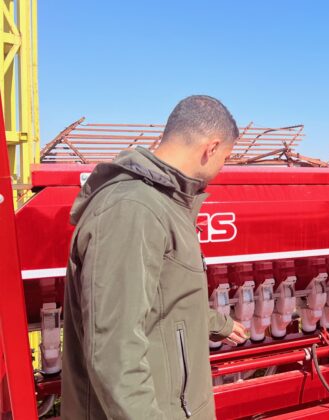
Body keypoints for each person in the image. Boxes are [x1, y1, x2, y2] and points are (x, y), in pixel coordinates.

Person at [61, 95, 248, 419]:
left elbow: (165, 299)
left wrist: (219, 324)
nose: (222, 168)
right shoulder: (132, 209)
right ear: (211, 148)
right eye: (226, 157)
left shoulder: (162, 204)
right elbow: (115, 353)